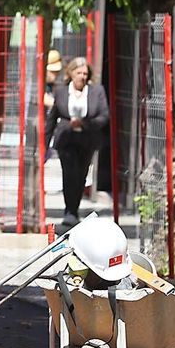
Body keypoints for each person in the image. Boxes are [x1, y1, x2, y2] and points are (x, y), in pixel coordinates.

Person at [49, 55, 109, 228]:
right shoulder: (61, 91)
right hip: (66, 139)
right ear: (71, 73)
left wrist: (85, 123)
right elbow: (52, 118)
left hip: (86, 139)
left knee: (80, 175)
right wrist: (45, 143)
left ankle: (74, 209)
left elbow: (104, 116)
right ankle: (69, 211)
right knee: (69, 174)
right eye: (78, 73)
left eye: (85, 73)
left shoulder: (96, 91)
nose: (82, 76)